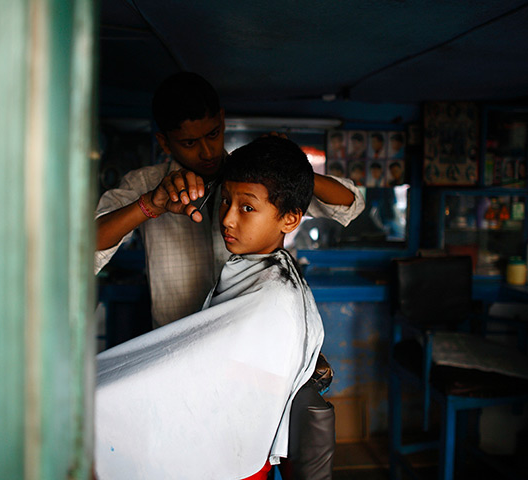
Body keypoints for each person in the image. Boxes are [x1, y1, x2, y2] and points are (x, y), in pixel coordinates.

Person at [94, 136, 327, 480]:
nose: (228, 219)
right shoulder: (263, 276)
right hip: (226, 428)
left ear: (290, 220)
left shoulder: (272, 297)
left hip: (235, 453)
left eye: (247, 208)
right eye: (225, 202)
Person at [95, 72, 365, 329]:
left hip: (249, 343)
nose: (207, 151)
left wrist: (286, 167)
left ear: (222, 121)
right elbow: (87, 249)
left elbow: (351, 204)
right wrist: (149, 206)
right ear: (165, 143)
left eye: (212, 134)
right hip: (178, 346)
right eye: (189, 143)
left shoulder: (252, 178)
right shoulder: (144, 184)